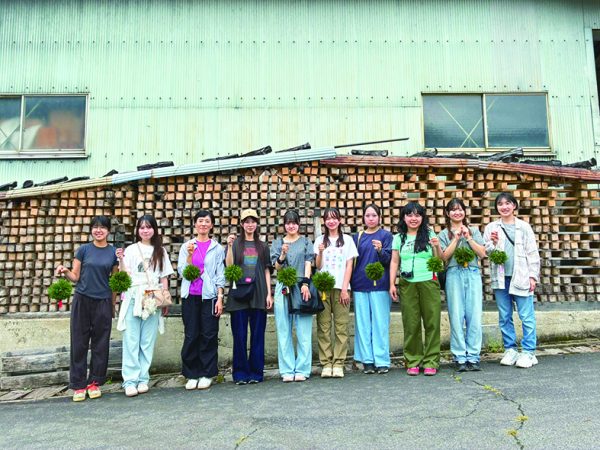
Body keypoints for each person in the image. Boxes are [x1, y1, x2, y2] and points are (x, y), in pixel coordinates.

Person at [55, 216, 119, 402]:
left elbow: (114, 283)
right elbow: (75, 276)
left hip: (103, 301)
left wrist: (112, 304)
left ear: (108, 231)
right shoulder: (83, 250)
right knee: (79, 342)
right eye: (95, 227)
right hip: (82, 300)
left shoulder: (113, 252)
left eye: (102, 227)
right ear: (91, 230)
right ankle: (78, 384)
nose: (98, 230)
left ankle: (95, 382)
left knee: (101, 343)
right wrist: (65, 271)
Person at [117, 215, 174, 397]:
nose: (145, 230)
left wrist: (165, 298)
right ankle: (130, 380)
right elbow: (124, 274)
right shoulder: (131, 249)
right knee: (131, 339)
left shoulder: (160, 251)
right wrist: (121, 259)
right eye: (142, 227)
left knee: (147, 341)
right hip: (134, 295)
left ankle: (143, 378)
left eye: (148, 227)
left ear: (154, 229)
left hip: (153, 296)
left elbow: (164, 277)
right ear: (137, 230)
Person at [483, 192, 540, 369]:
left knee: (526, 316)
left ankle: (529, 352)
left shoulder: (524, 227)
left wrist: (533, 276)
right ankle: (510, 349)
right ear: (496, 207)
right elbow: (487, 253)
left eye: (508, 203)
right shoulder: (492, 227)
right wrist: (492, 243)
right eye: (500, 204)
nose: (504, 207)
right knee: (505, 315)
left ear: (514, 205)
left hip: (521, 276)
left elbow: (532, 252)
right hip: (501, 277)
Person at [389, 202, 442, 376]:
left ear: (422, 217)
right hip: (407, 283)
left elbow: (439, 259)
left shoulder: (429, 234)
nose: (413, 218)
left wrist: (436, 246)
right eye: (409, 215)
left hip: (428, 281)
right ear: (403, 217)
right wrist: (392, 284)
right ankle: (413, 360)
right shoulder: (399, 237)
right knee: (411, 323)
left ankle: (431, 360)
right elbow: (394, 261)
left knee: (432, 321)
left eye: (417, 215)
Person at [178, 210, 225, 390]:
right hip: (190, 295)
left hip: (209, 296)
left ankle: (207, 373)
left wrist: (220, 297)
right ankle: (191, 374)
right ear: (195, 224)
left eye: (207, 221)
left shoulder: (217, 248)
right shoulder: (187, 246)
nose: (203, 224)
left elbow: (220, 274)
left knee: (209, 334)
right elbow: (183, 271)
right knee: (191, 334)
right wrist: (190, 255)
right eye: (200, 221)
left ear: (211, 225)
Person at [225, 209, 273, 385]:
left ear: (257, 224)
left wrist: (269, 293)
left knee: (257, 335)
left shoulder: (263, 246)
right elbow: (229, 265)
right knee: (239, 336)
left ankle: (256, 373)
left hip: (259, 293)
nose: (250, 225)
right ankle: (240, 373)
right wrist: (229, 247)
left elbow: (267, 270)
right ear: (242, 224)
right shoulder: (235, 244)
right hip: (238, 294)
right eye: (247, 221)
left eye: (253, 221)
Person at [439, 199, 486, 372]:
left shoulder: (474, 230)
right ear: (447, 213)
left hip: (472, 273)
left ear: (465, 212)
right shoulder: (444, 234)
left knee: (474, 315)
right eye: (453, 210)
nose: (457, 213)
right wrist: (456, 238)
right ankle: (459, 356)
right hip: (453, 274)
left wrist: (469, 237)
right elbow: (444, 257)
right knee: (456, 315)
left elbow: (482, 253)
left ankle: (473, 355)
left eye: (460, 209)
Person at [314, 207, 358, 378]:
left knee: (341, 326)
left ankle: (339, 362)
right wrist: (320, 251)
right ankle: (326, 363)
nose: (331, 221)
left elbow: (349, 265)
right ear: (324, 222)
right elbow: (318, 266)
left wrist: (345, 288)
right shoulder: (319, 240)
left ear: (339, 220)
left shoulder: (347, 240)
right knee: (323, 326)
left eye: (334, 218)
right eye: (328, 219)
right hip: (323, 288)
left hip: (341, 288)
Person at [270, 210, 314, 382]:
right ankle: (287, 369)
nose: (291, 226)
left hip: (301, 285)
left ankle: (303, 368)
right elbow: (277, 267)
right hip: (283, 286)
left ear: (298, 224)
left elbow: (308, 263)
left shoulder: (306, 242)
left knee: (303, 329)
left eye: (294, 222)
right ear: (284, 225)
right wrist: (282, 254)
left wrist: (306, 283)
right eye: (288, 223)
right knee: (283, 328)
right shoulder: (277, 243)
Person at [351, 204, 394, 375]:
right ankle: (367, 360)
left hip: (380, 285)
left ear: (379, 217)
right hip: (360, 284)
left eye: (374, 215)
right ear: (363, 217)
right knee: (362, 324)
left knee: (380, 324)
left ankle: (381, 360)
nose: (370, 218)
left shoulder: (386, 236)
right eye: (367, 215)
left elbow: (390, 260)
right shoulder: (357, 237)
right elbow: (352, 261)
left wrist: (381, 250)